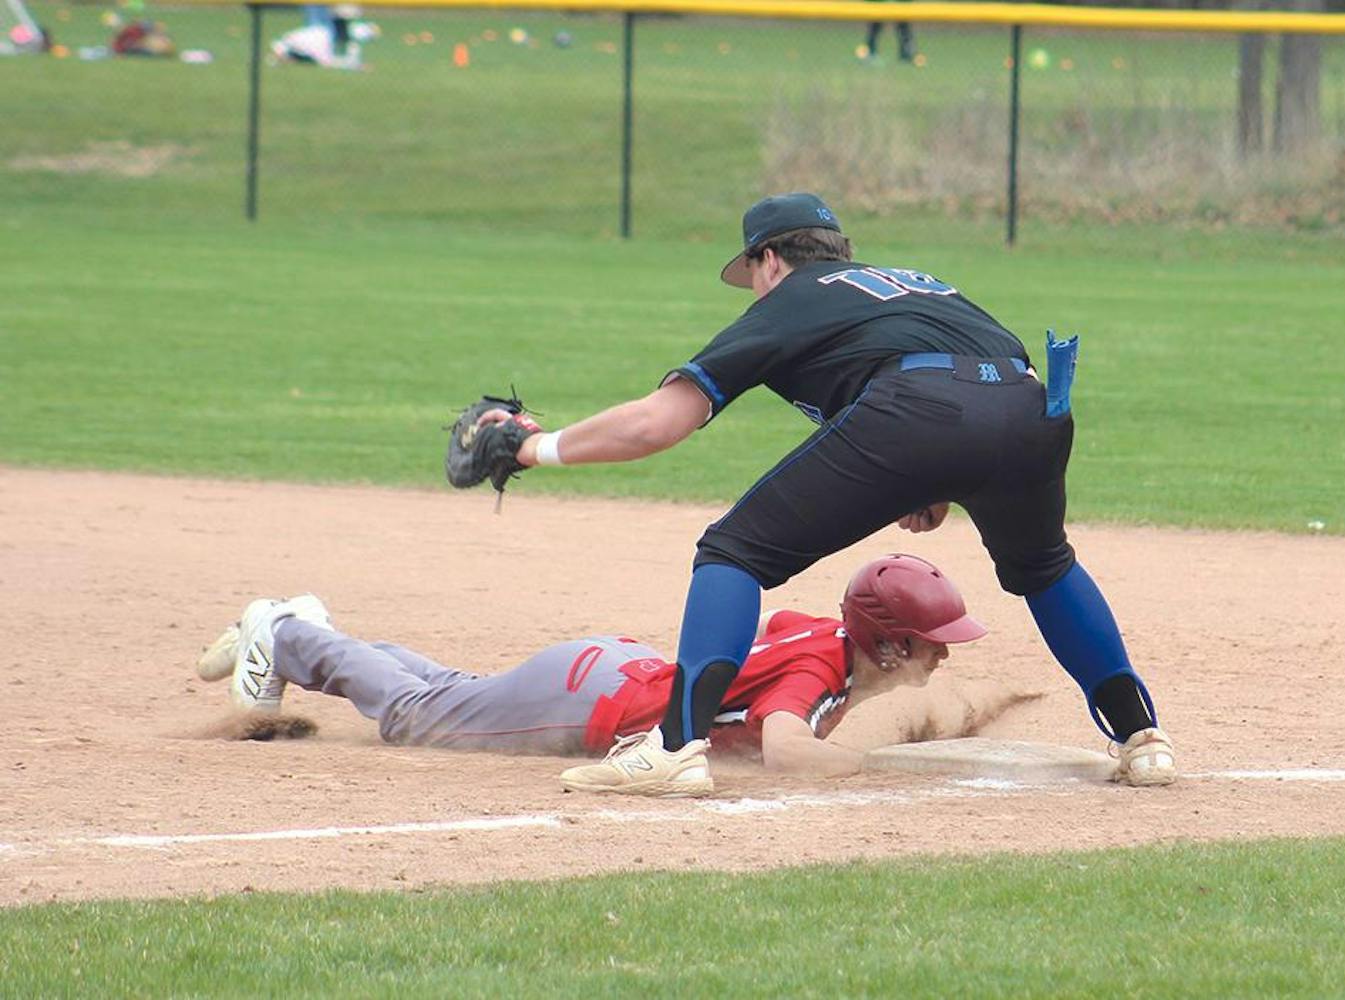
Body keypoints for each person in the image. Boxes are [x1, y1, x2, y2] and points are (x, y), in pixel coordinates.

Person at [475, 192, 1177, 795]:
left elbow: (659, 423)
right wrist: (936, 473)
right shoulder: (919, 284)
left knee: (733, 553)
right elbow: (978, 377)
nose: (754, 290)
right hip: (1032, 408)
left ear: (770, 260)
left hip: (920, 409)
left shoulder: (794, 297)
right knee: (1043, 566)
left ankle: (675, 748)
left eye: (751, 274)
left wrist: (532, 446)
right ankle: (1141, 738)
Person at [197, 555, 1017, 793]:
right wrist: (871, 766)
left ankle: (318, 633)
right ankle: (288, 634)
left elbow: (773, 632)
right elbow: (785, 747)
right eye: (928, 642)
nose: (942, 654)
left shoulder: (827, 636)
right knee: (416, 717)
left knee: (449, 694)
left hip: (613, 670)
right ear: (885, 643)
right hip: (591, 701)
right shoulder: (820, 666)